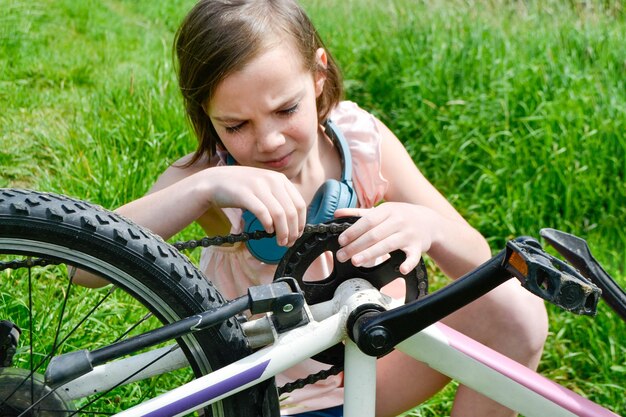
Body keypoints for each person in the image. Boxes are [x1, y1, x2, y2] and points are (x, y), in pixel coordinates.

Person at [78, 0, 549, 415]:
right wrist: (204, 187)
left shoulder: (363, 144)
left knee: (516, 311)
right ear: (206, 114)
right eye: (236, 124)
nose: (269, 141)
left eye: (286, 110)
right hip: (266, 399)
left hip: (372, 367)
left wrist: (429, 227)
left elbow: (476, 256)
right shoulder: (210, 179)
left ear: (318, 75)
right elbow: (86, 267)